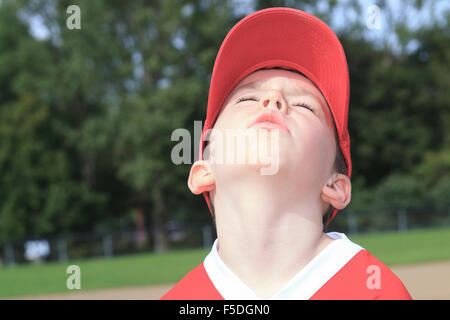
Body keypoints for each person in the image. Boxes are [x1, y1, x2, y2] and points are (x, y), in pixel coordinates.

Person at [162, 7, 411, 300]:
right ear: (204, 171)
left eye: (305, 106)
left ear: (336, 185)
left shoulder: (376, 291)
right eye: (247, 98)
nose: (272, 100)